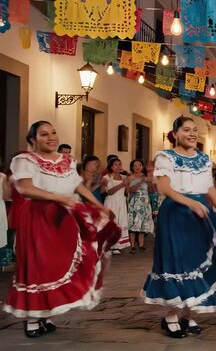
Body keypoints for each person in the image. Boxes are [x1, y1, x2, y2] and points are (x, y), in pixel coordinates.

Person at [2, 121, 119, 338]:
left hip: (62, 217)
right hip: (38, 216)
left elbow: (78, 186)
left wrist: (99, 205)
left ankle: (45, 314)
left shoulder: (66, 160)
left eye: (53, 133)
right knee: (38, 265)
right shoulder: (24, 160)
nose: (51, 137)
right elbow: (25, 188)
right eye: (44, 134)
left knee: (58, 263)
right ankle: (32, 318)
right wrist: (59, 198)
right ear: (32, 139)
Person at [142, 116, 216, 338]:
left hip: (200, 214)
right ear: (175, 134)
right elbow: (164, 188)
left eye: (195, 130)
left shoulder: (203, 159)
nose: (192, 134)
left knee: (198, 264)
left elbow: (209, 190)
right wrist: (190, 202)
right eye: (186, 130)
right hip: (175, 214)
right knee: (179, 265)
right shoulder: (166, 157)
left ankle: (188, 314)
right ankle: (171, 315)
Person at [103, 158, 132, 253]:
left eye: (120, 164)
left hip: (121, 201)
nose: (118, 166)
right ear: (111, 166)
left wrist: (127, 184)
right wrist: (122, 184)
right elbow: (109, 192)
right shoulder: (106, 177)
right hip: (111, 202)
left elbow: (127, 192)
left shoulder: (124, 177)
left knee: (120, 221)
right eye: (116, 164)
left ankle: (117, 245)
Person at [127, 159, 154, 254]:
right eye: (135, 166)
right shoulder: (130, 178)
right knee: (134, 225)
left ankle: (142, 245)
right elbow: (130, 190)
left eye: (139, 165)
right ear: (132, 167)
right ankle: (133, 246)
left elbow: (150, 190)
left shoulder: (146, 177)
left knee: (143, 225)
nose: (138, 167)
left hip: (145, 202)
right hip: (135, 202)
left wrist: (149, 183)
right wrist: (140, 181)